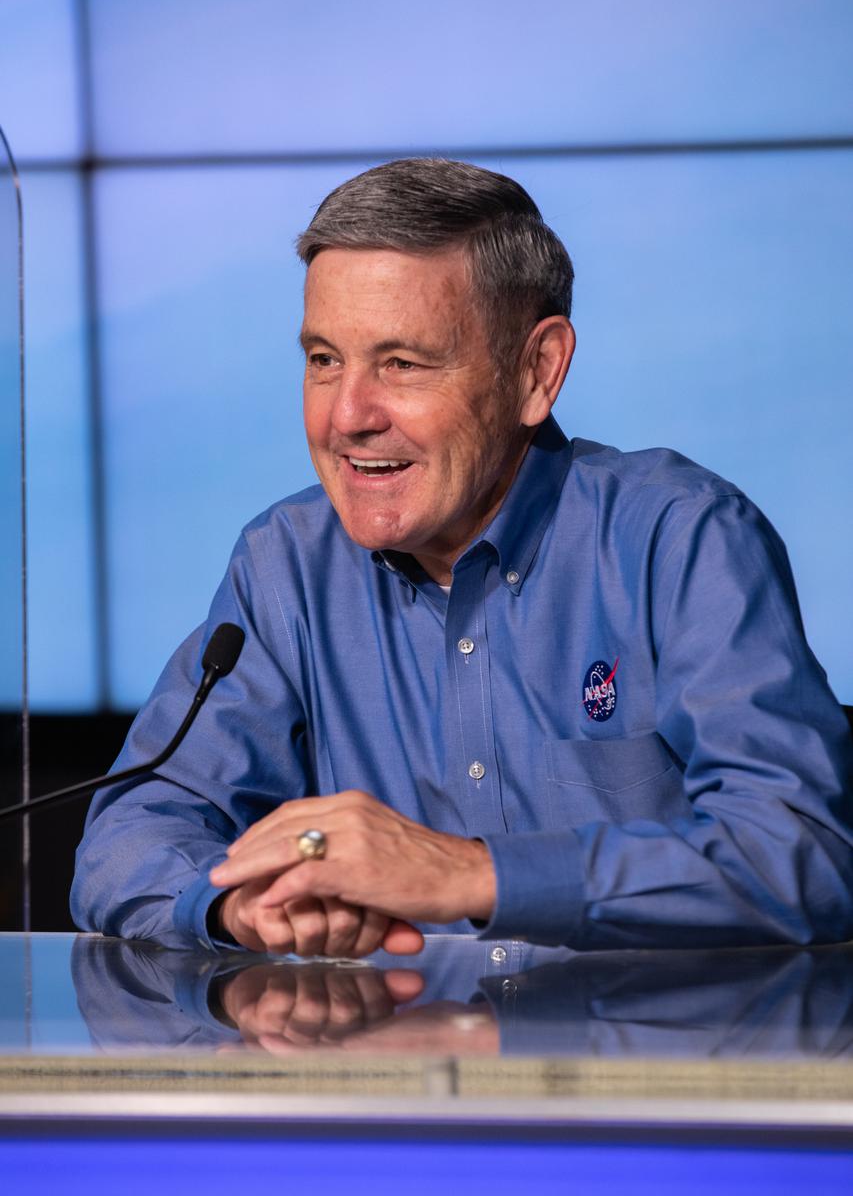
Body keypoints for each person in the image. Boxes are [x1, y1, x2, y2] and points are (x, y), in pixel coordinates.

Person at [71, 158, 853, 957]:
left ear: (535, 372)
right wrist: (235, 908)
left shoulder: (676, 537)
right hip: (394, 1065)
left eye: (401, 364)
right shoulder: (286, 563)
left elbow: (805, 855)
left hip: (647, 1070)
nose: (347, 416)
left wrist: (470, 876)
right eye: (323, 360)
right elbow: (125, 842)